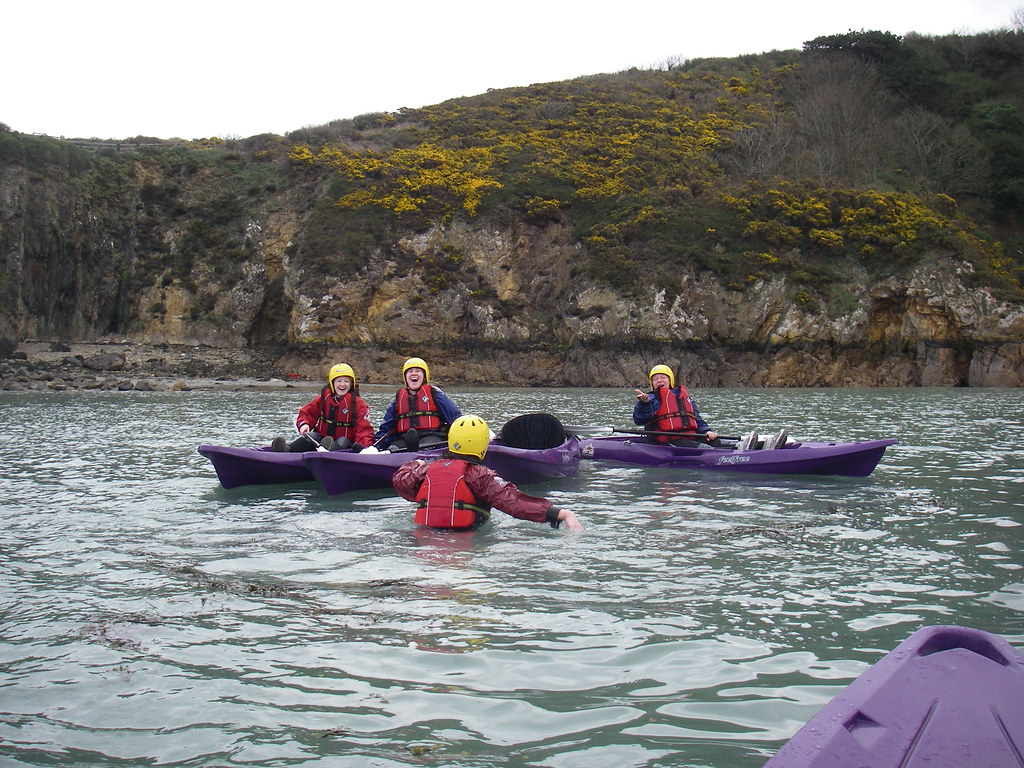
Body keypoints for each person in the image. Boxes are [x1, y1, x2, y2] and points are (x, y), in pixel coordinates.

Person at [393, 415, 584, 531]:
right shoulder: (480, 475)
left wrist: (413, 464)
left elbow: (401, 481)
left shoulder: (425, 470)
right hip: (463, 543)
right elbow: (515, 503)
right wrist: (559, 514)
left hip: (424, 537)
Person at [272, 363, 374, 452]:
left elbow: (364, 429)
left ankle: (328, 450)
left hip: (344, 444)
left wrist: (363, 447)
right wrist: (304, 424)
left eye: (346, 381)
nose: (342, 384)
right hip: (322, 440)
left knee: (342, 440)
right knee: (313, 436)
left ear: (351, 384)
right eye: (339, 381)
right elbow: (307, 413)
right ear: (332, 383)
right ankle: (288, 449)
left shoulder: (358, 404)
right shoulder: (323, 398)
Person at [374, 357, 462, 450]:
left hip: (432, 436)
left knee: (424, 448)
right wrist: (375, 447)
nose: (414, 373)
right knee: (392, 449)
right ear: (405, 377)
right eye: (410, 371)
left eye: (418, 371)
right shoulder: (398, 399)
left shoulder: (435, 394)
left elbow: (456, 420)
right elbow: (386, 428)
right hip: (404, 438)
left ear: (424, 376)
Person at [632, 364, 726, 448]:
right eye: (655, 379)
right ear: (652, 383)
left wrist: (706, 431)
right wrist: (644, 403)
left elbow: (697, 419)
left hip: (692, 437)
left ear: (670, 380)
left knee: (717, 442)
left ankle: (738, 449)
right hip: (668, 441)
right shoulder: (651, 398)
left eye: (663, 377)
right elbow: (639, 420)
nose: (659, 380)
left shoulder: (684, 398)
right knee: (703, 448)